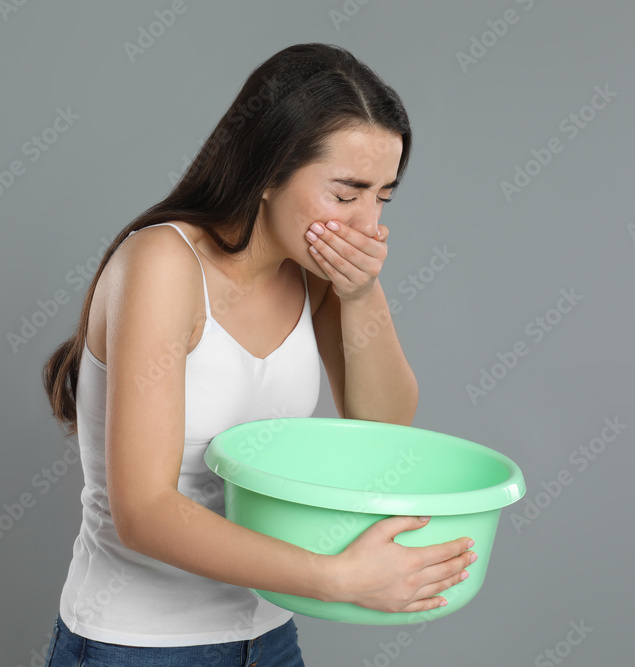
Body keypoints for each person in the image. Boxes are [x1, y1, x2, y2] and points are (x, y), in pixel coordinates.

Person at [39, 42, 476, 666]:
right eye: (346, 194)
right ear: (268, 172)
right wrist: (340, 578)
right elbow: (144, 510)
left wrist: (362, 292)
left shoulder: (315, 273)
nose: (367, 226)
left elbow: (382, 432)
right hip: (139, 645)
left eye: (383, 197)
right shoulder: (163, 264)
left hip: (265, 638)